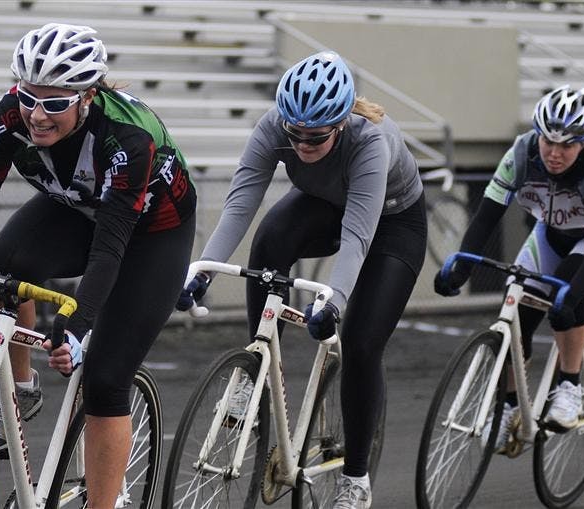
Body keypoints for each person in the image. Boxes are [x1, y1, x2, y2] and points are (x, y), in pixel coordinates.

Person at [0, 23, 197, 508]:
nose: (36, 116)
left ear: (87, 96)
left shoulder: (127, 137)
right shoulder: (10, 116)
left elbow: (109, 250)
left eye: (54, 103)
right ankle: (21, 387)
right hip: (75, 207)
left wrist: (76, 327)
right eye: (29, 97)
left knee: (106, 379)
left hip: (151, 233)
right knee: (5, 269)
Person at [177, 51, 426, 509]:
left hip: (392, 224)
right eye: (296, 136)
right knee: (271, 240)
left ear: (341, 123)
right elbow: (241, 201)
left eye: (316, 137)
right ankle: (257, 375)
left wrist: (331, 302)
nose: (303, 145)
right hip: (323, 204)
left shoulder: (370, 141)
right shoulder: (276, 124)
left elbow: (357, 234)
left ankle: (355, 478)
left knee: (362, 342)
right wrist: (203, 269)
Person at [435, 85, 584, 450]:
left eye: (567, 145)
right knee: (519, 311)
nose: (554, 152)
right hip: (553, 231)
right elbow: (485, 219)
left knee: (565, 292)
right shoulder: (520, 152)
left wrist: (571, 296)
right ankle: (510, 408)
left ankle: (570, 386)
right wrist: (461, 267)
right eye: (548, 141)